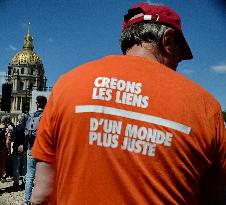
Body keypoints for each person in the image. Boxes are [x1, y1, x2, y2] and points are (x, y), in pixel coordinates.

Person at [31, 3, 225, 205]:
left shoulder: (66, 85)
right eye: (180, 54)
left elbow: (42, 195)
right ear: (168, 40)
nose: (179, 62)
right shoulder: (206, 107)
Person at [23, 96, 47, 205]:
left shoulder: (30, 116)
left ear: (37, 104)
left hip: (30, 150)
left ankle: (26, 200)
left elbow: (26, 134)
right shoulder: (46, 116)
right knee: (41, 177)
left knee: (29, 176)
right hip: (42, 151)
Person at [11, 113, 27, 191]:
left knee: (16, 167)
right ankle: (24, 183)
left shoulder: (16, 128)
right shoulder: (27, 128)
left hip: (16, 149)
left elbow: (13, 138)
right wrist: (23, 145)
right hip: (24, 149)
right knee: (24, 167)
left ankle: (16, 184)